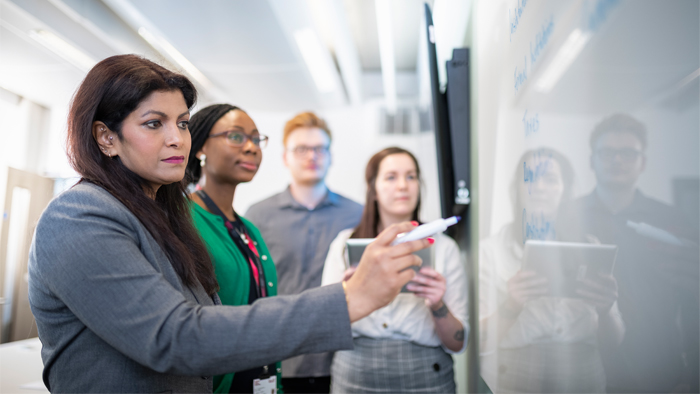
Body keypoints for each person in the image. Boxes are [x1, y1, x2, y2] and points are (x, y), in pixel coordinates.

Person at [26, 54, 431, 393]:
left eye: (182, 123)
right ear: (106, 137)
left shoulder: (166, 218)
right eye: (155, 123)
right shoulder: (78, 216)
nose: (177, 139)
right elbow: (178, 337)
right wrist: (349, 299)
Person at [558, 114, 699, 393]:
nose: (617, 160)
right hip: (585, 368)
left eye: (628, 153)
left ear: (642, 162)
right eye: (607, 152)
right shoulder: (565, 218)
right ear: (592, 160)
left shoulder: (673, 220)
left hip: (659, 370)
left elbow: (692, 302)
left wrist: (693, 376)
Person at [321, 147, 468, 394]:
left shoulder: (444, 249)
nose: (403, 186)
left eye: (411, 177)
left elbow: (458, 342)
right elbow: (324, 329)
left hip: (426, 375)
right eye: (391, 177)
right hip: (355, 374)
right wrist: (348, 294)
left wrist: (438, 305)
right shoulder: (344, 245)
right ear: (373, 189)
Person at [479, 148, 624, 393]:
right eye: (530, 177)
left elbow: (616, 340)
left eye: (550, 179)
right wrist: (511, 306)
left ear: (565, 188)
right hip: (513, 372)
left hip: (582, 372)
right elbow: (480, 342)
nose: (540, 187)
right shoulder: (490, 251)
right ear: (517, 187)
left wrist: (607, 308)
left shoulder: (591, 248)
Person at [245, 112, 362, 393]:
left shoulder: (358, 215)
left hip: (342, 360)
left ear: (330, 156)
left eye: (320, 149)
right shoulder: (258, 216)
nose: (312, 156)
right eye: (301, 149)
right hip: (279, 358)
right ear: (286, 157)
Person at [185, 103, 281, 393]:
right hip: (219, 381)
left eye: (256, 138)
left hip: (261, 376)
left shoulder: (248, 228)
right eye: (236, 137)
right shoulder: (183, 219)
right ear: (200, 147)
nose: (251, 147)